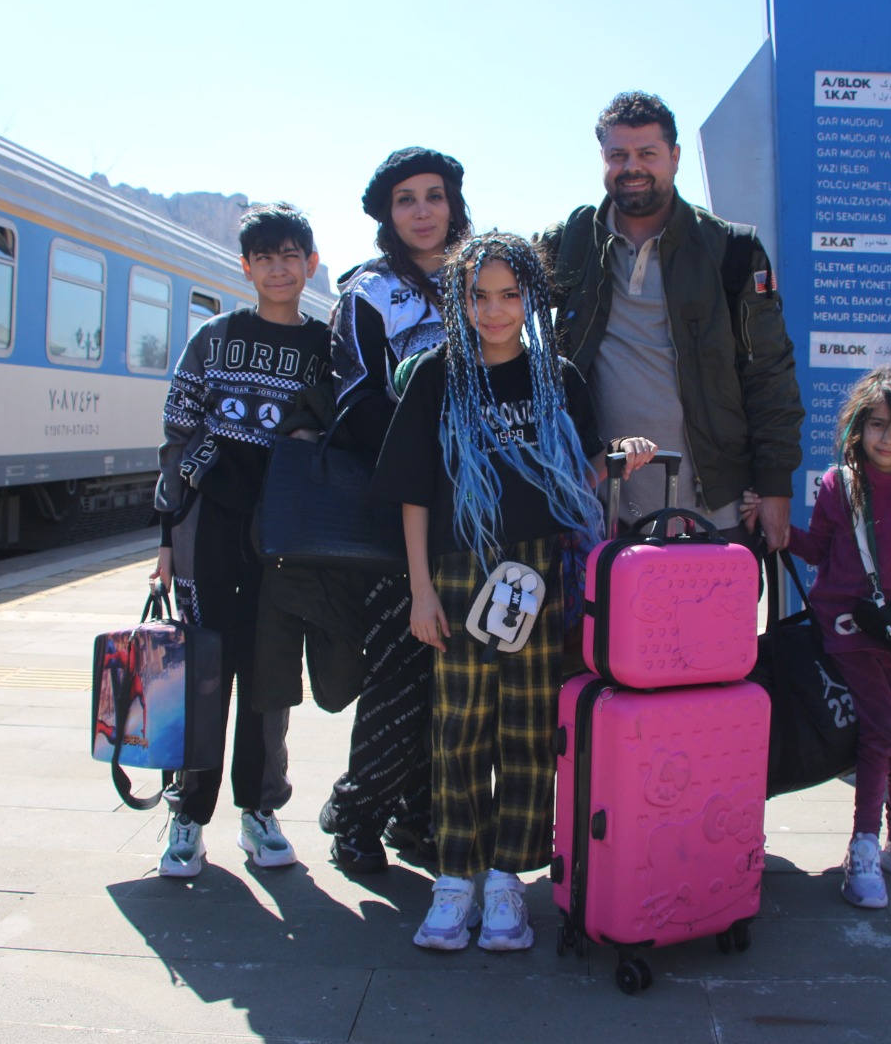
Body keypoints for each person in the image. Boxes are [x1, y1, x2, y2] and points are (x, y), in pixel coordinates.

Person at [371, 231, 656, 951]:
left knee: (528, 729)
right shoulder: (436, 376)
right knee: (458, 727)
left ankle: (507, 881)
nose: (495, 310)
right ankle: (454, 878)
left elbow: (575, 475)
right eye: (479, 296)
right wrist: (420, 591)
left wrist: (618, 459)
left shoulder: (557, 377)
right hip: (458, 568)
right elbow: (412, 493)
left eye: (509, 295)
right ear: (458, 300)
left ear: (530, 298)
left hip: (537, 572)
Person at [748, 365, 891, 909]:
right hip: (842, 628)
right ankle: (864, 847)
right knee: (882, 733)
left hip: (889, 633)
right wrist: (774, 527)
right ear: (859, 427)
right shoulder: (842, 484)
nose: (887, 437)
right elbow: (819, 549)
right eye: (877, 424)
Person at [537, 90, 802, 549]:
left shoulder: (730, 249)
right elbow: (491, 290)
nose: (632, 167)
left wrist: (776, 486)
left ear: (675, 157)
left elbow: (770, 373)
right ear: (602, 159)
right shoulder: (572, 243)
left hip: (713, 511)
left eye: (648, 153)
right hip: (599, 511)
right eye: (618, 155)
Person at [150, 202, 330, 877]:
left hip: (284, 531)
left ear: (311, 264)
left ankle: (259, 811)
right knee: (202, 670)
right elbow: (177, 436)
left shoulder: (326, 346)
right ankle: (187, 817)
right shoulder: (214, 337)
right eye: (265, 258)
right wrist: (167, 539)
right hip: (210, 529)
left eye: (290, 256)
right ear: (246, 267)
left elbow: (339, 430)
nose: (279, 269)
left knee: (270, 673)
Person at [319, 147, 473, 874]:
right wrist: (433, 456)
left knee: (457, 675)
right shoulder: (369, 292)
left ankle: (420, 817)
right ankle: (357, 815)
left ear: (453, 204)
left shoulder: (481, 281)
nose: (422, 211)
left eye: (434, 196)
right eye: (405, 199)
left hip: (479, 511)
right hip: (397, 510)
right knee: (398, 669)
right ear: (387, 213)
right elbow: (356, 402)